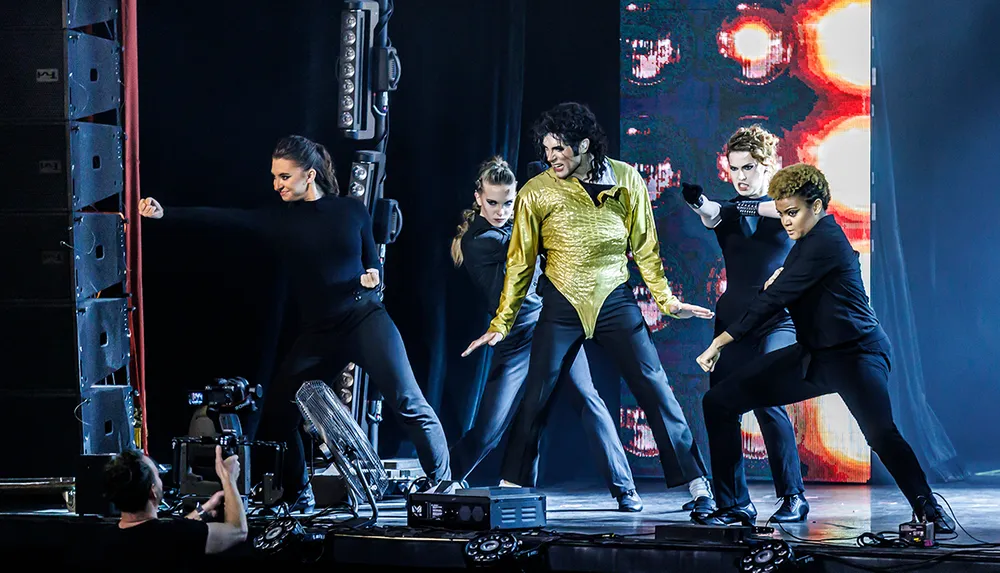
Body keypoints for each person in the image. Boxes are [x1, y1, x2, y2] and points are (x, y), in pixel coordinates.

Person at [138, 135, 451, 510]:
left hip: (364, 317)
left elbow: (374, 262)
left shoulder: (352, 211)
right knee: (279, 408)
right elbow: (226, 218)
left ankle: (442, 483)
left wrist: (373, 276)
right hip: (320, 332)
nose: (277, 185)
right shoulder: (280, 220)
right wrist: (166, 213)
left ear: (310, 175)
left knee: (406, 399)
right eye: (274, 177)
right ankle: (299, 491)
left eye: (284, 177)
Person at [463, 102, 717, 519]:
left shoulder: (626, 178)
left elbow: (646, 251)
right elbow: (521, 262)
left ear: (583, 144)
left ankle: (697, 484)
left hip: (613, 297)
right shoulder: (536, 191)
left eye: (559, 148)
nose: (552, 157)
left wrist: (667, 301)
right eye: (547, 149)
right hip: (561, 302)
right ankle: (512, 488)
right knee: (537, 397)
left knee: (655, 388)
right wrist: (502, 321)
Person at [695, 163, 955, 533]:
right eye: (782, 212)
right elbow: (782, 287)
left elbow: (774, 299)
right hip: (814, 356)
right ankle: (735, 506)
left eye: (792, 212)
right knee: (719, 401)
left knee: (881, 435)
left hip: (857, 354)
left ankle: (931, 513)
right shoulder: (804, 244)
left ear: (816, 206)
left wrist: (719, 342)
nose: (785, 221)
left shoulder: (826, 242)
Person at [450, 155, 642, 511]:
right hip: (518, 337)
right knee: (490, 428)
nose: (500, 210)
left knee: (589, 400)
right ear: (478, 198)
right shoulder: (479, 239)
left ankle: (624, 488)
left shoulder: (517, 223)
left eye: (508, 203)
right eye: (492, 202)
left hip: (553, 326)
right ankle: (444, 478)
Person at [680, 125, 808, 524]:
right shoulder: (726, 211)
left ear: (768, 166)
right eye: (734, 168)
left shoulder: (786, 207)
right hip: (733, 320)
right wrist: (700, 202)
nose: (740, 176)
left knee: (768, 397)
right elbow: (712, 213)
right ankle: (734, 504)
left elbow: (775, 208)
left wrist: (731, 207)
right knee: (720, 406)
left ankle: (793, 497)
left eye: (748, 167)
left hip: (778, 320)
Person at [102, 447, 247, 564]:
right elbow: (238, 531)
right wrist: (228, 478)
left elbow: (164, 533)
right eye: (158, 475)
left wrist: (203, 509)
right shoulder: (176, 535)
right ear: (152, 491)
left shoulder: (104, 541)